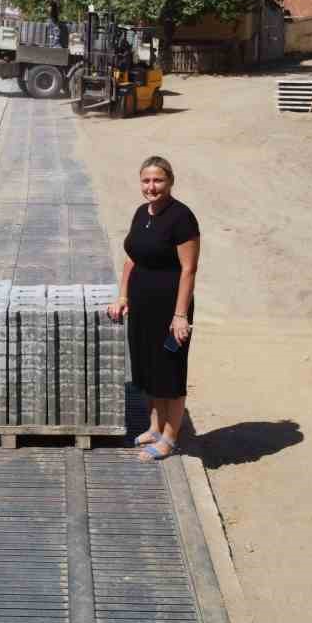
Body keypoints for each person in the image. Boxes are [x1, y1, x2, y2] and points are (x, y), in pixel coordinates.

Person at [107, 156, 200, 462]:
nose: (152, 187)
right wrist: (122, 296)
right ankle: (154, 426)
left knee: (170, 371)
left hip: (169, 306)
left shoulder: (182, 217)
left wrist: (180, 315)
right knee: (147, 367)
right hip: (142, 304)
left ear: (170, 182)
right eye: (146, 180)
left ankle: (170, 438)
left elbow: (188, 269)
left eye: (158, 180)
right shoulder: (140, 213)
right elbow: (131, 258)